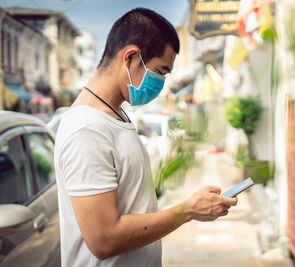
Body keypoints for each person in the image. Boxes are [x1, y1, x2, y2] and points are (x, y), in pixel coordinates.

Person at [54, 7, 238, 267]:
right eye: (160, 71)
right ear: (130, 57)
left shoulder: (116, 116)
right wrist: (189, 210)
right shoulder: (87, 129)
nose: (160, 82)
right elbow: (104, 239)